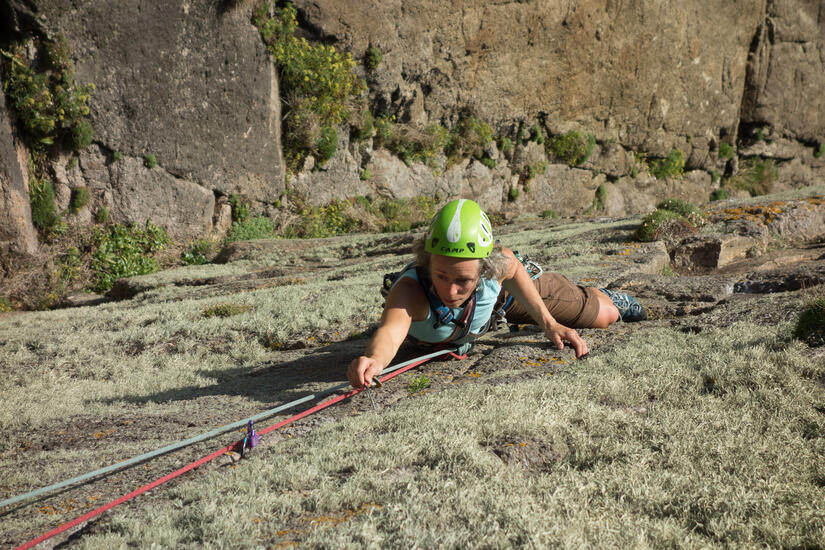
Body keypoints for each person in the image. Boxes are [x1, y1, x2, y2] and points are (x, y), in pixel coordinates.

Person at [347, 199, 645, 389]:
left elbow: (513, 266)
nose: (450, 290)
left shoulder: (496, 267)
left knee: (606, 315)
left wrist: (549, 323)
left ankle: (602, 294)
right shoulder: (410, 292)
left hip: (503, 300)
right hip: (480, 314)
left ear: (483, 269)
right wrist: (374, 360)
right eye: (440, 275)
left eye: (463, 280)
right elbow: (390, 332)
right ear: (427, 260)